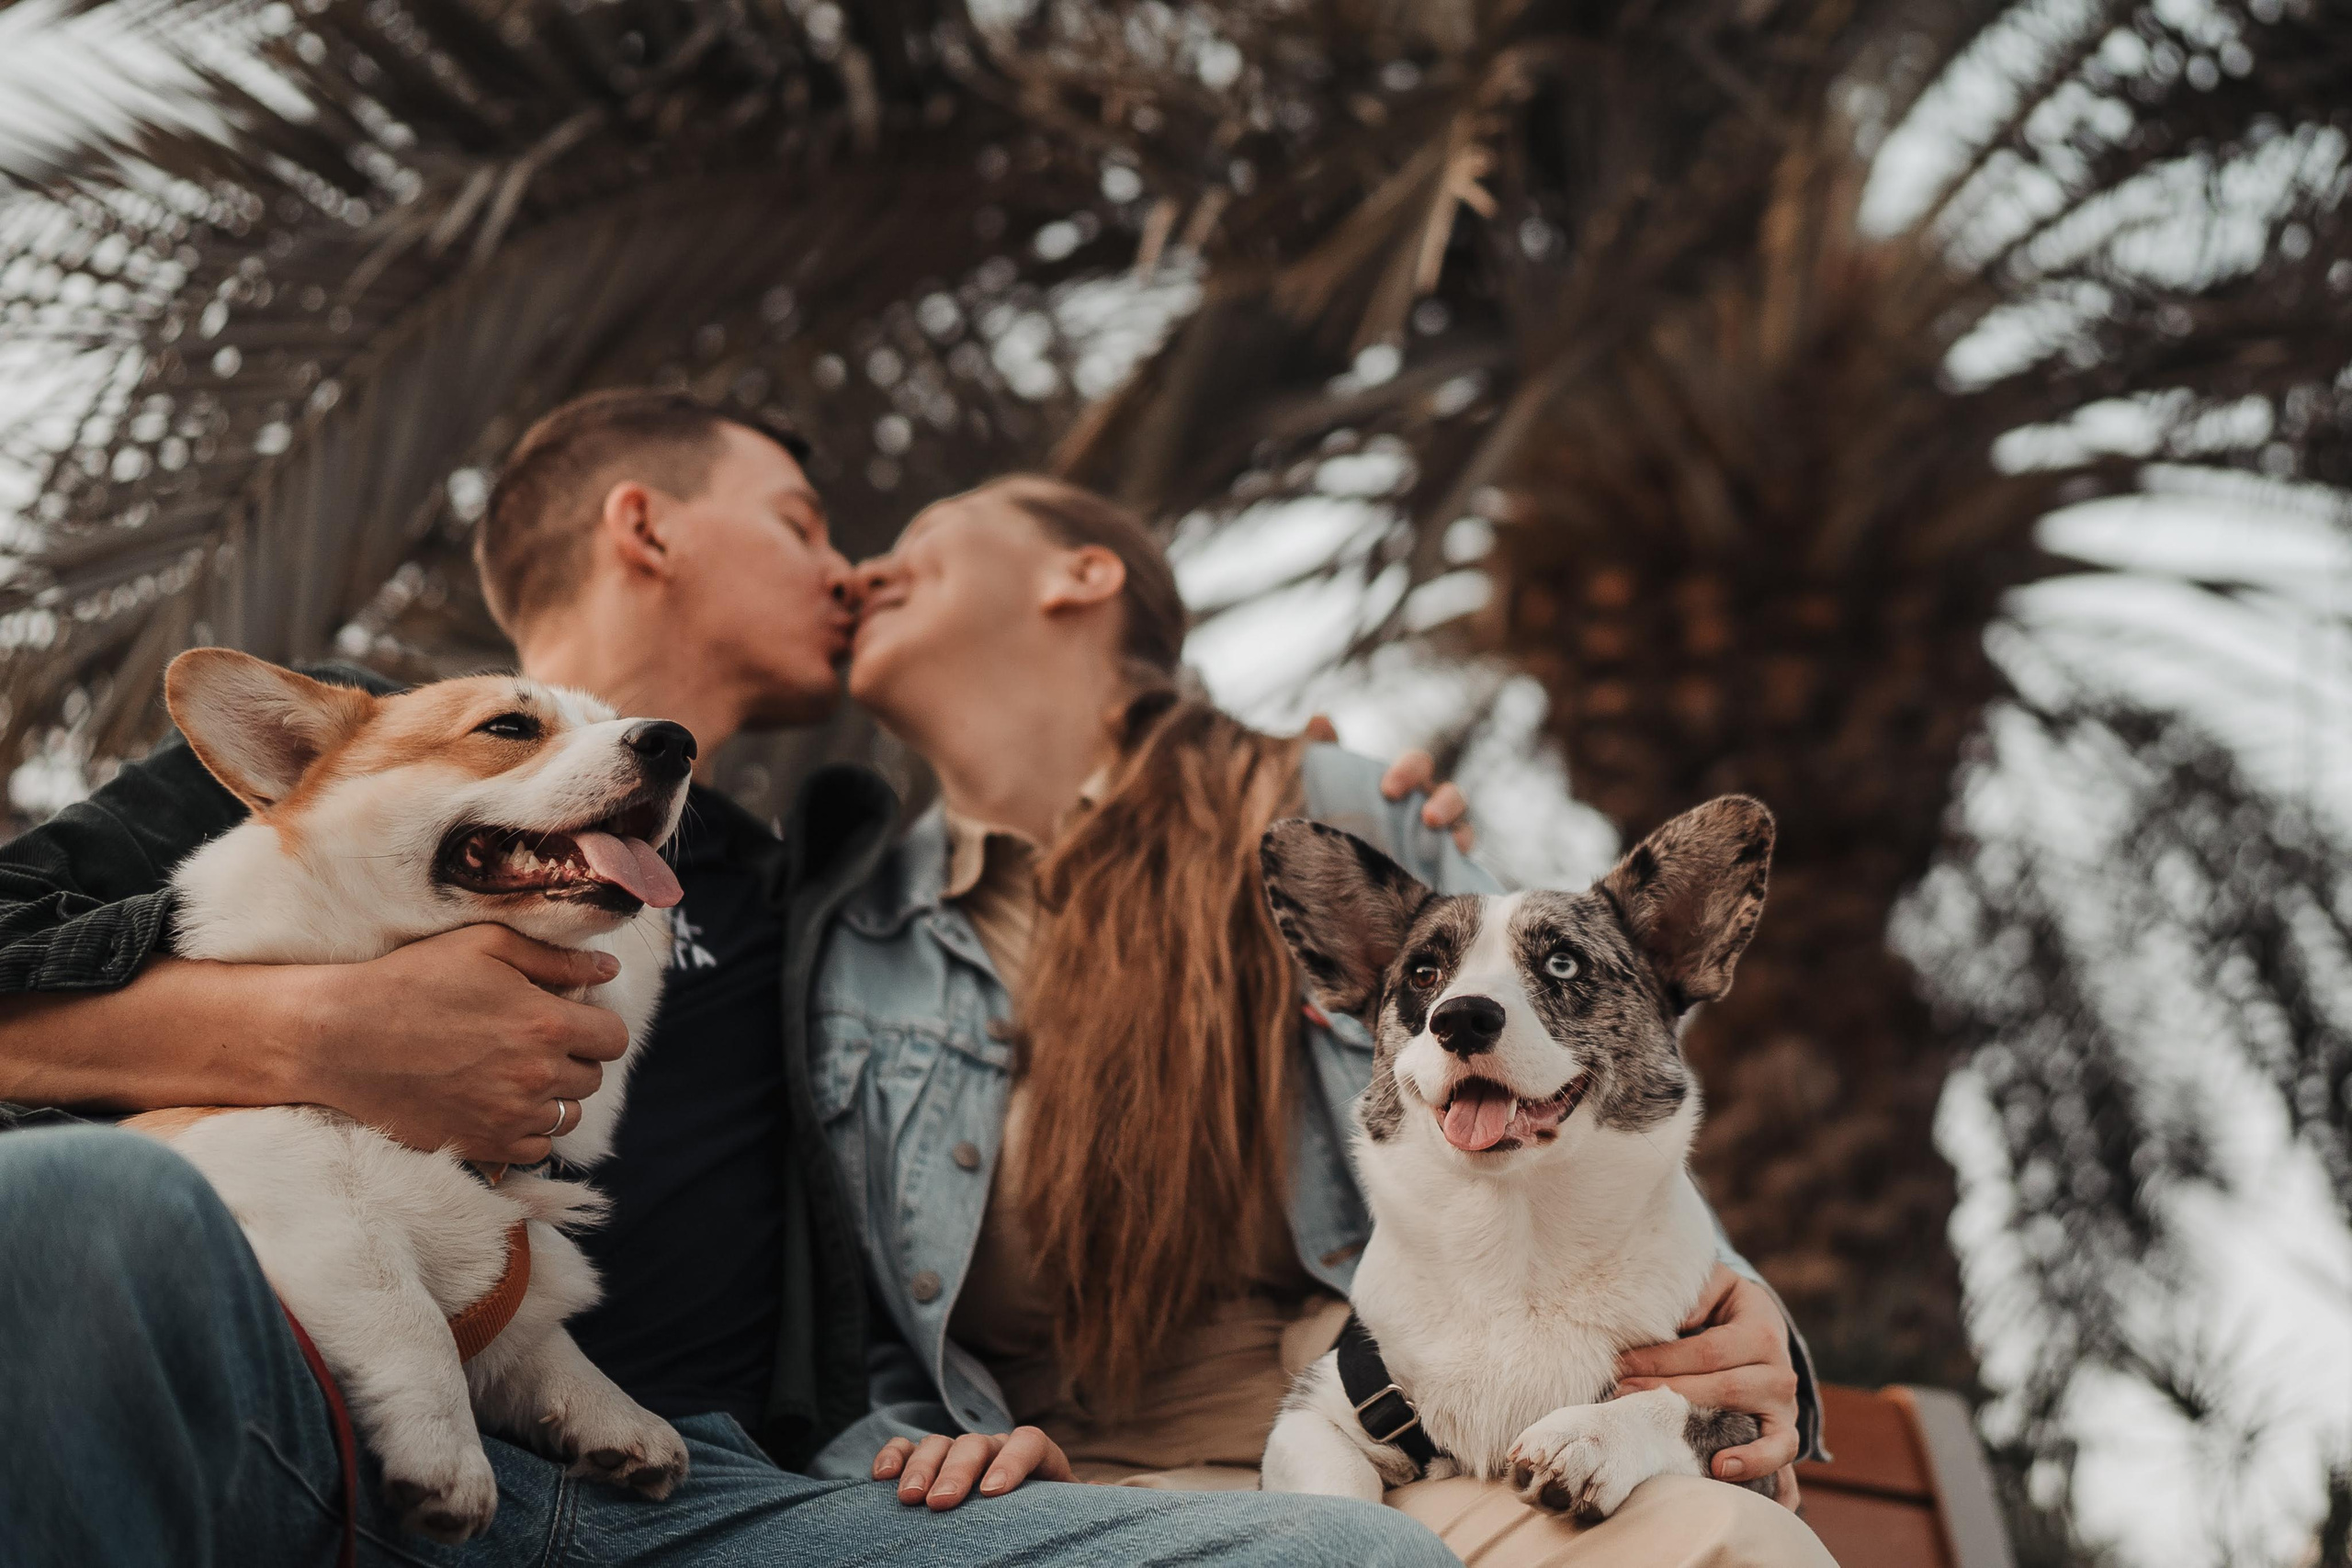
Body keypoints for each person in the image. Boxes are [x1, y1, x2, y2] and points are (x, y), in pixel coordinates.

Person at [0, 392, 1459, 1567]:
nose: (849, 570)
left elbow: (1061, 952)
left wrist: (1293, 792)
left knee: (1344, 1556)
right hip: (291, 1395)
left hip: (714, 1496)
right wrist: (316, 1032)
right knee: (75, 1204)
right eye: (802, 524)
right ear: (648, 526)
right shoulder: (345, 756)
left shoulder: (835, 894)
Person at [808, 475, 1838, 1566]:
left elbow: (1588, 1064)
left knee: (1731, 1546)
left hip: (1405, 1469)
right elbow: (853, 1316)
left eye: (922, 535)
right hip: (1061, 1500)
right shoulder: (847, 935)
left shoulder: (1339, 806)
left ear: (1084, 573)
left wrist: (1741, 1329)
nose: (862, 571)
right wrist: (922, 1456)